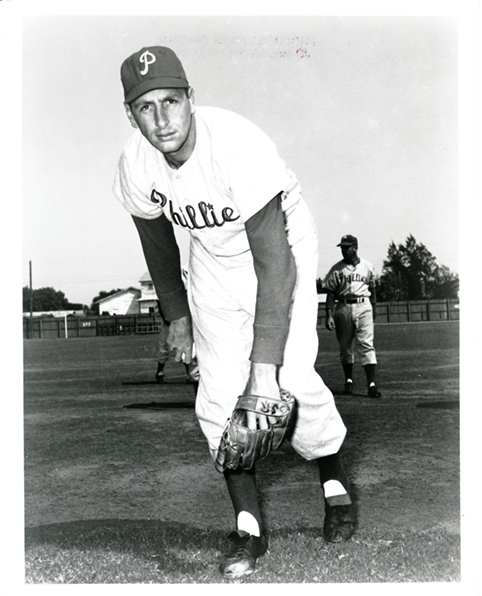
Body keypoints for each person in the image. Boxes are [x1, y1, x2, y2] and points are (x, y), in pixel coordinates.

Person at [113, 45, 355, 579]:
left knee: (287, 377)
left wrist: (263, 373)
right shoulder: (136, 162)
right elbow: (158, 245)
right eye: (146, 107)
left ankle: (334, 483)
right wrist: (178, 316)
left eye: (171, 101)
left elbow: (275, 263)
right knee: (219, 392)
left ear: (191, 99)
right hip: (210, 256)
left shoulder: (236, 145)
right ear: (130, 114)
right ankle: (248, 525)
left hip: (279, 245)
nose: (162, 119)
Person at [324, 235, 382, 398]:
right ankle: (348, 381)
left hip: (364, 305)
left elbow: (373, 288)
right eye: (342, 247)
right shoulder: (336, 269)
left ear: (355, 247)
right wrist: (328, 314)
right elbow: (330, 293)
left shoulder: (368, 266)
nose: (344, 250)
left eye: (347, 247)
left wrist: (374, 307)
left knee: (366, 344)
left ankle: (371, 385)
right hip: (342, 307)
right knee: (345, 346)